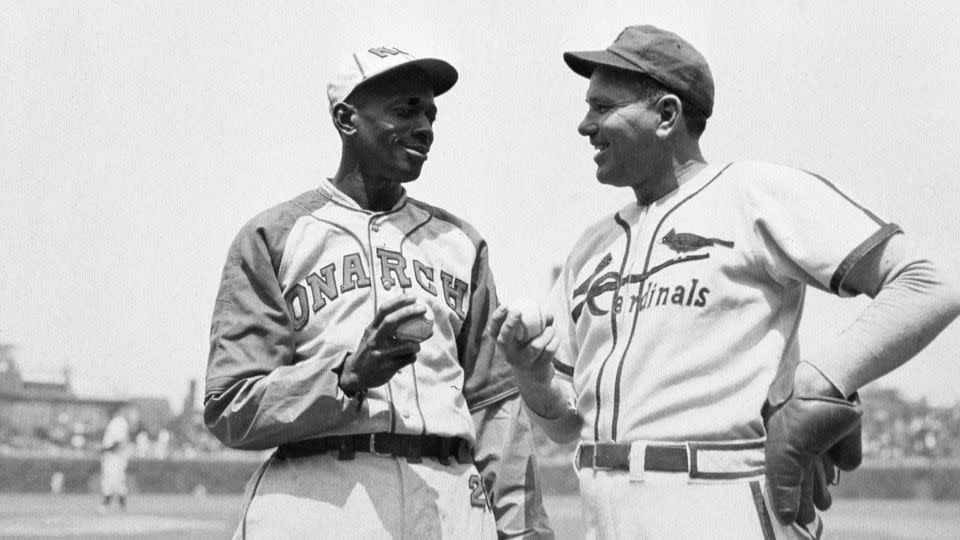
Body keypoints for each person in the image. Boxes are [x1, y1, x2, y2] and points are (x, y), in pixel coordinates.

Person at [490, 25, 960, 540]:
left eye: (603, 107)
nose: (585, 125)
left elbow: (928, 283)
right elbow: (564, 426)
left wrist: (819, 381)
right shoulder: (590, 249)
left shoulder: (752, 194)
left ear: (667, 115)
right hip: (605, 511)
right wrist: (532, 377)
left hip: (722, 497)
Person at [204, 45, 552, 539]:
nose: (426, 126)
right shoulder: (274, 236)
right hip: (320, 493)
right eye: (405, 109)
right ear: (347, 119)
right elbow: (230, 404)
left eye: (431, 113)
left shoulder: (460, 244)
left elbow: (495, 407)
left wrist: (523, 532)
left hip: (447, 495)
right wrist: (345, 376)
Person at [99, 405, 137, 513]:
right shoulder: (116, 422)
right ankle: (121, 505)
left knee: (114, 480)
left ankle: (106, 504)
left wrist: (106, 450)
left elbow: (119, 441)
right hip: (112, 455)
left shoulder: (119, 422)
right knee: (115, 481)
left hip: (116, 456)